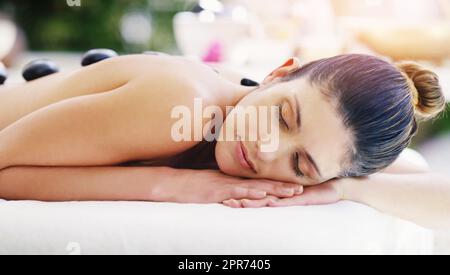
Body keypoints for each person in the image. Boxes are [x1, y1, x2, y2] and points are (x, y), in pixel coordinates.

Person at [0, 53, 448, 229]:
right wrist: (167, 186)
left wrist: (344, 187)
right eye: (281, 115)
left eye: (300, 166)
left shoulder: (327, 138)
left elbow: (432, 187)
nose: (266, 149)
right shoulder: (182, 105)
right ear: (277, 73)